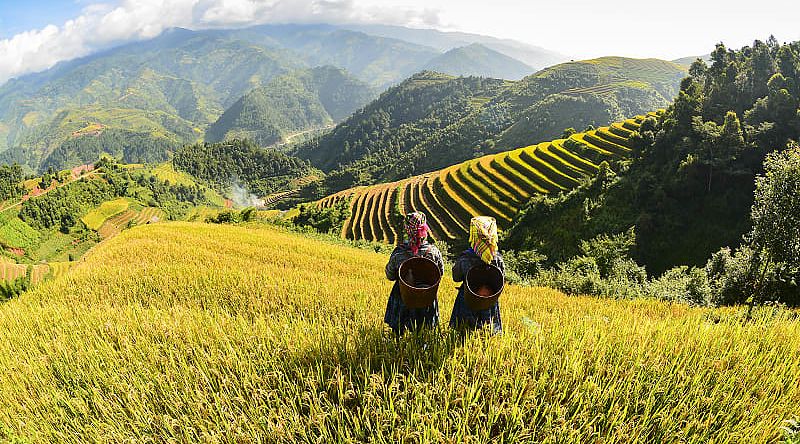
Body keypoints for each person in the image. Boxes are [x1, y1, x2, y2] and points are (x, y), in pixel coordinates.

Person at [384, 212, 444, 335]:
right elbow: (440, 273)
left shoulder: (399, 253)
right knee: (424, 332)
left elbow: (390, 275)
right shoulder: (433, 252)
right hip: (426, 296)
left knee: (398, 332)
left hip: (403, 296)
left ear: (407, 230)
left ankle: (397, 349)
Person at [449, 216, 504, 334]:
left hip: (467, 301)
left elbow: (456, 277)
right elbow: (501, 278)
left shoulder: (465, 259)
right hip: (489, 302)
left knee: (462, 333)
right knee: (488, 334)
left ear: (474, 236)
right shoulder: (497, 259)